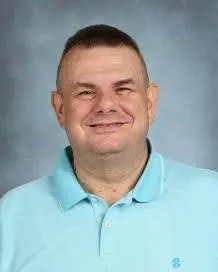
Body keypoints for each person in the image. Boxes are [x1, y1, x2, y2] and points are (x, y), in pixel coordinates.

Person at [0, 24, 218, 272]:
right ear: (60, 110)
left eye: (123, 89)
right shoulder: (9, 219)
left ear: (149, 103)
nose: (105, 105)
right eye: (85, 92)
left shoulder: (213, 201)